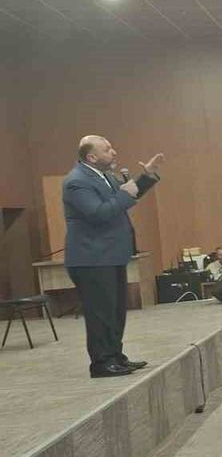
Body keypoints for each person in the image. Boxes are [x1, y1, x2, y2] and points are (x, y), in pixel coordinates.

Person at [62, 135, 163, 378]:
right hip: (91, 258)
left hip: (110, 254)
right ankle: (101, 363)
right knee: (100, 313)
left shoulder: (104, 176)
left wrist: (145, 177)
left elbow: (123, 198)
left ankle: (116, 356)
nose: (114, 152)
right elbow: (99, 213)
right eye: (107, 149)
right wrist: (125, 193)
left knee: (115, 311)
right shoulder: (77, 181)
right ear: (91, 157)